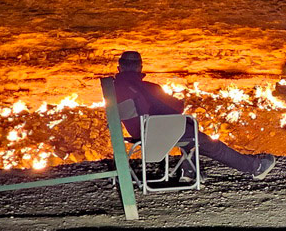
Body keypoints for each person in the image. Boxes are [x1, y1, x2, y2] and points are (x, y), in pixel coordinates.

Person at [113, 51, 277, 181]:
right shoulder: (147, 87)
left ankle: (189, 171)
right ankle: (254, 167)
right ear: (140, 68)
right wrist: (179, 101)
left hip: (137, 133)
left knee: (187, 126)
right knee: (208, 143)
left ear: (119, 67)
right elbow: (175, 108)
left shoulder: (114, 89)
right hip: (156, 132)